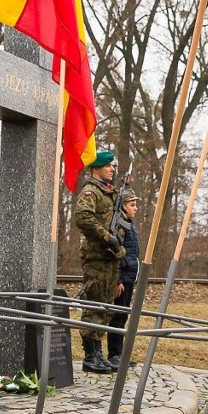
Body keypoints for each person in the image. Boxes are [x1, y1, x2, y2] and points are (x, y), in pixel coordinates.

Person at [74, 150, 124, 374]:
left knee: (106, 305)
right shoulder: (91, 191)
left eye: (113, 166)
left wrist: (117, 239)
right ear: (96, 169)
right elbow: (83, 217)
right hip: (96, 255)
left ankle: (99, 353)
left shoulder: (108, 192)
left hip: (109, 256)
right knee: (94, 303)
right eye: (108, 166)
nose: (112, 169)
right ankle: (89, 355)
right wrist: (107, 237)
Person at [107, 191, 139, 365]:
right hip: (122, 278)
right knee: (117, 317)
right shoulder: (119, 224)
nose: (135, 208)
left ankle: (120, 354)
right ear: (123, 206)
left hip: (129, 277)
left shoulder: (129, 224)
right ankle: (114, 354)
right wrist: (117, 280)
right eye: (132, 205)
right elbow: (116, 253)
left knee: (123, 316)